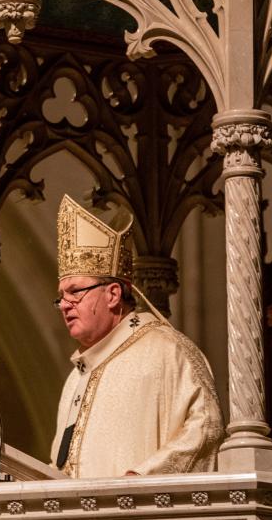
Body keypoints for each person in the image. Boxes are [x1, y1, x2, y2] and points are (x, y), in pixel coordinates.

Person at [50, 195, 224, 478]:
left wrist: (140, 478)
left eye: (75, 292)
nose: (65, 304)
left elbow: (207, 429)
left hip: (142, 517)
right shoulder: (75, 379)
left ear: (113, 294)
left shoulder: (167, 350)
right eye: (60, 297)